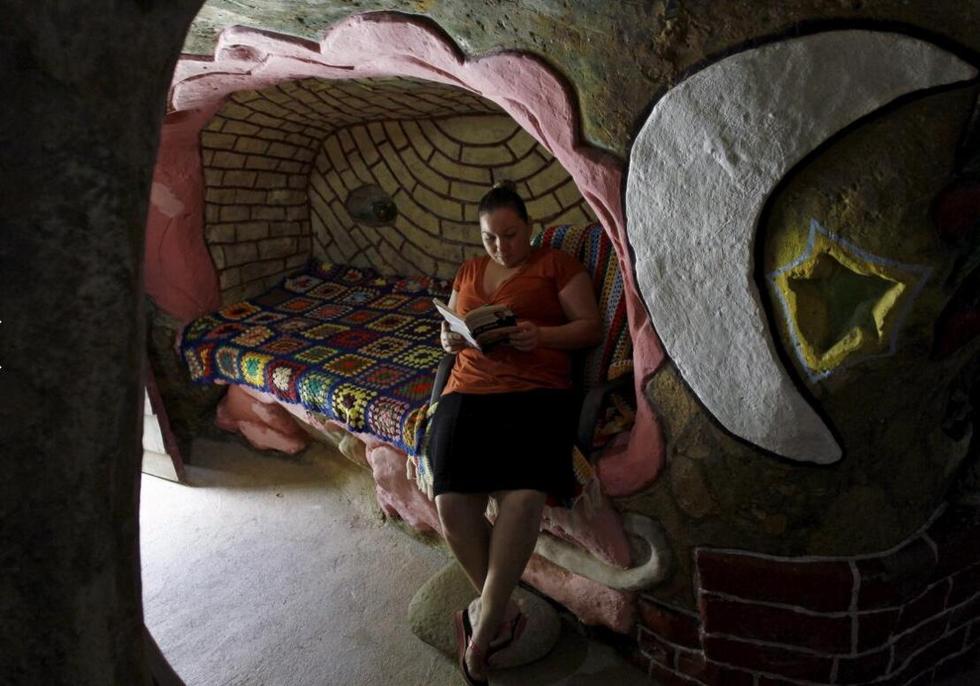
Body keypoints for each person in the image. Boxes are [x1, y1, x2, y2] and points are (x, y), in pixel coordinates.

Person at [429, 181, 601, 684]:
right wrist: (449, 339)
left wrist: (540, 335)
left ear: (529, 227)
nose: (501, 247)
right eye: (489, 238)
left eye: (510, 235)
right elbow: (452, 328)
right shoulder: (469, 271)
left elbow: (589, 327)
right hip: (468, 391)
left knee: (523, 497)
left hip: (536, 391)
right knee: (451, 502)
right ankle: (502, 610)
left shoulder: (556, 266)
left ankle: (483, 632)